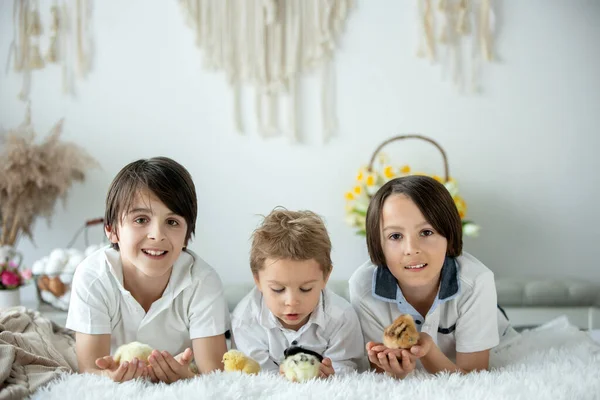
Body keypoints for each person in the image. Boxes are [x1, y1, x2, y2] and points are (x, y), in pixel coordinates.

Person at [66, 157, 229, 383]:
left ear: (186, 236)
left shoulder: (203, 281)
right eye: (141, 219)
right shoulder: (93, 276)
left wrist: (188, 378)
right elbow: (90, 370)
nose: (157, 235)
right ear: (112, 230)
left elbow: (215, 374)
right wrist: (109, 375)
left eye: (172, 222)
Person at [349, 175, 516, 379]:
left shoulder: (476, 281)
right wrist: (394, 370)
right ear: (378, 245)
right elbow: (379, 369)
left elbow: (475, 378)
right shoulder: (363, 287)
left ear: (449, 235)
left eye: (426, 232)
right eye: (395, 236)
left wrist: (427, 353)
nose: (411, 249)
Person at [231, 208, 367, 377]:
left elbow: (350, 371)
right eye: (278, 289)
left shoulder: (341, 317)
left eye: (305, 289)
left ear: (326, 277)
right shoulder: (245, 321)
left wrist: (331, 375)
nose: (292, 301)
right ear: (257, 280)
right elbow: (256, 378)